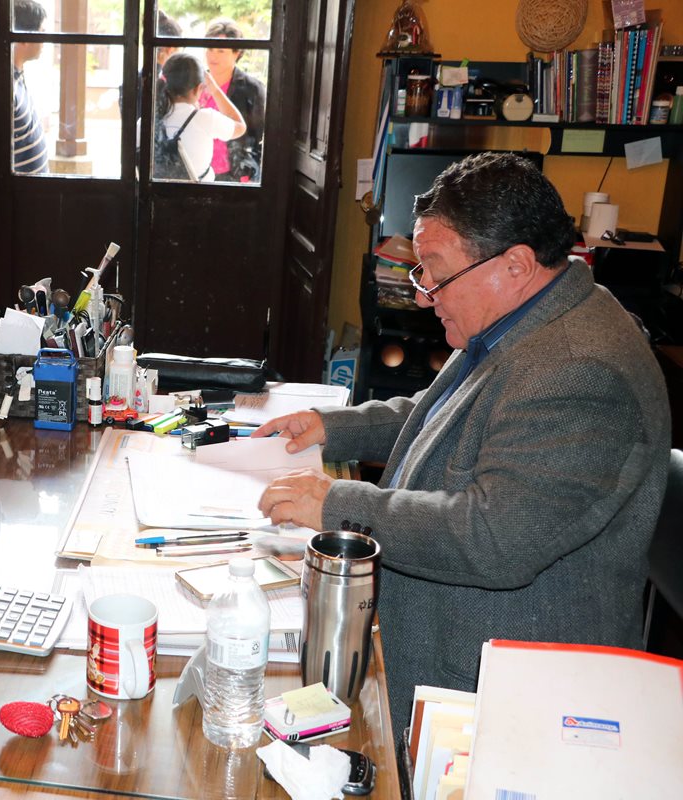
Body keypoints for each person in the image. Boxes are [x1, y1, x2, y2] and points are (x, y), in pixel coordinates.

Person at [254, 152, 670, 742]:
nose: (424, 295)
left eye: (435, 273)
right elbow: (445, 415)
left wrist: (337, 505)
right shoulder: (528, 317)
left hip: (500, 691)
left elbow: (494, 538)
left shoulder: (581, 370)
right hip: (449, 634)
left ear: (517, 264)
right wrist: (335, 427)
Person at [156, 52, 246, 182]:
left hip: (157, 198)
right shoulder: (205, 119)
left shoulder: (146, 122)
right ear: (199, 88)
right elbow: (240, 126)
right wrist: (214, 88)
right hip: (198, 197)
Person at [203, 18, 266, 183]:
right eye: (210, 48)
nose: (213, 55)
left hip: (234, 175)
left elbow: (256, 136)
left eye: (221, 51)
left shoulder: (252, 88)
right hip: (197, 171)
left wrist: (248, 172)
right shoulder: (195, 83)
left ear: (236, 53)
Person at [12, 0, 49, 174]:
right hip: (22, 196)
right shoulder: (7, 87)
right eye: (41, 31)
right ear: (25, 37)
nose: (44, 39)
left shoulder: (18, 74)